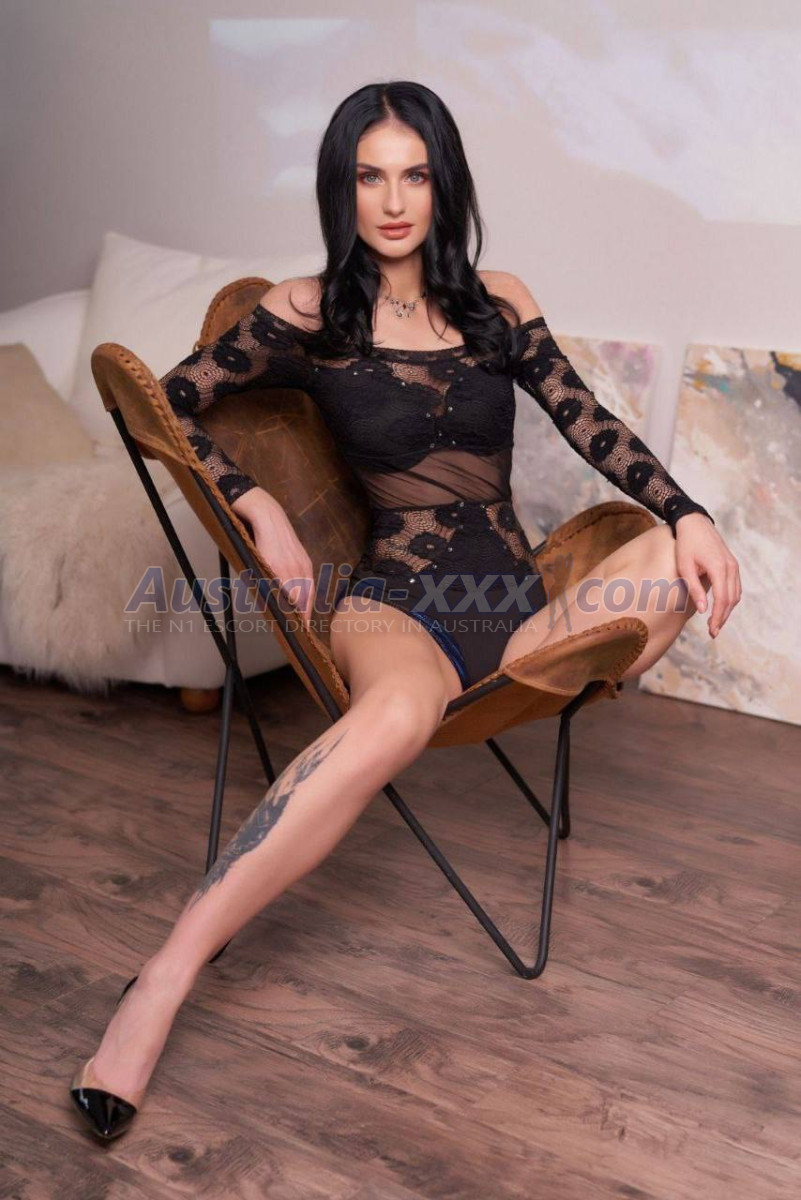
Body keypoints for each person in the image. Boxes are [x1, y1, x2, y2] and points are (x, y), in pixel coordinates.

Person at [70, 80, 741, 1140]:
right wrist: (254, 504)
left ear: (444, 184)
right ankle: (166, 975)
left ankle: (584, 642)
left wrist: (688, 512)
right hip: (397, 607)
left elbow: (588, 421)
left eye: (414, 175)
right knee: (391, 715)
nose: (392, 202)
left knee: (671, 558)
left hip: (515, 609)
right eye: (369, 177)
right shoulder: (307, 313)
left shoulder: (497, 303)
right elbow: (156, 401)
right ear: (341, 189)